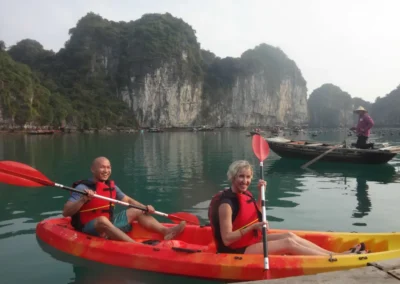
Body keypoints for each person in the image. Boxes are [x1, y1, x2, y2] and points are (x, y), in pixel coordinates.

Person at [208, 160, 367, 255]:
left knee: (290, 235)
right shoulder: (226, 204)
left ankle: (334, 255)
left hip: (250, 240)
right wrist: (253, 227)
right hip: (236, 249)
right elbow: (227, 239)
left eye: (248, 177)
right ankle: (336, 258)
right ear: (233, 177)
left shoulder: (246, 194)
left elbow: (253, 213)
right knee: (288, 244)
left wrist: (260, 194)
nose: (245, 180)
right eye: (241, 176)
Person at [62, 156, 186, 243]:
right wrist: (83, 199)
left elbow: (129, 201)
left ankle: (166, 231)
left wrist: (145, 207)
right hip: (89, 228)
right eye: (102, 167)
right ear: (93, 169)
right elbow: (66, 212)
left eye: (108, 167)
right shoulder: (83, 187)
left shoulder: (111, 187)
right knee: (102, 220)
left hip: (109, 224)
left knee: (137, 209)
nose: (106, 171)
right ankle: (135, 246)